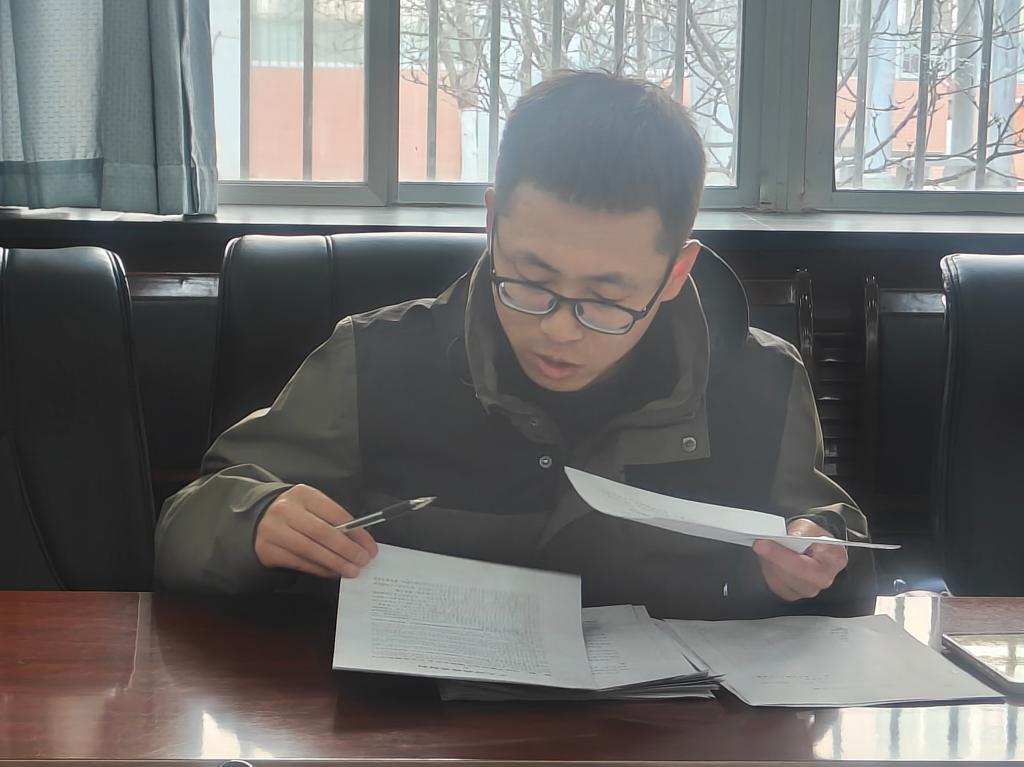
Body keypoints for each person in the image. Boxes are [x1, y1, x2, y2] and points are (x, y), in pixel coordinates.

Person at [155, 70, 875, 618]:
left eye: (606, 299)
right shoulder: (373, 361)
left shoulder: (760, 384)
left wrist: (815, 558)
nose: (559, 328)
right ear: (492, 222)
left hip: (663, 736)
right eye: (531, 280)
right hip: (418, 734)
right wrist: (255, 519)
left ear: (675, 272)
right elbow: (188, 523)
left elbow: (838, 550)